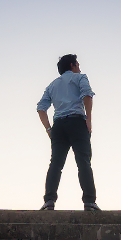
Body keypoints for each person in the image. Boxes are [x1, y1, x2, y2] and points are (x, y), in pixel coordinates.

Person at [36, 54, 101, 211]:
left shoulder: (52, 85)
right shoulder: (79, 78)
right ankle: (89, 202)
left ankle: (49, 201)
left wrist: (49, 129)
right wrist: (89, 120)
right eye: (78, 64)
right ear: (72, 65)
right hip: (77, 122)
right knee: (83, 162)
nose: (79, 67)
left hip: (58, 126)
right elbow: (87, 95)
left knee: (56, 164)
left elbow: (41, 108)